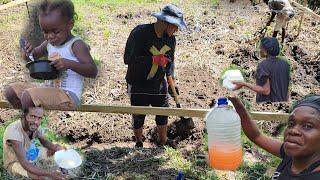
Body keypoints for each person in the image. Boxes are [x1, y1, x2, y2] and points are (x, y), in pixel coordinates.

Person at [4, 0, 98, 111]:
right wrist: (27, 53)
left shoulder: (76, 45)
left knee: (28, 96)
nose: (50, 36)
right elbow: (33, 56)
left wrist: (69, 64)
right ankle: (32, 119)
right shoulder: (48, 44)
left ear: (70, 24)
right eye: (45, 32)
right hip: (47, 89)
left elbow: (92, 71)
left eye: (56, 31)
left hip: (68, 95)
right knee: (11, 91)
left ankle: (30, 124)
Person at [124, 4, 187, 148]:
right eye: (175, 26)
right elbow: (128, 59)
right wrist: (153, 60)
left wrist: (172, 81)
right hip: (138, 82)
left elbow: (170, 62)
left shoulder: (171, 40)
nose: (176, 30)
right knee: (139, 114)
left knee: (163, 112)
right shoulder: (140, 33)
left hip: (159, 82)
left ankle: (163, 141)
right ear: (164, 22)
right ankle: (139, 142)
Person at [229, 95, 320, 179]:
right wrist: (236, 102)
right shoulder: (290, 155)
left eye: (308, 126)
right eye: (291, 124)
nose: (293, 130)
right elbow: (256, 136)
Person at [3, 106, 65, 179]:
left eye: (39, 118)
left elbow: (45, 142)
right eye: (32, 116)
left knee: (52, 151)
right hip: (16, 162)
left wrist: (57, 148)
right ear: (24, 115)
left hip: (29, 154)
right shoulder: (14, 131)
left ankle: (63, 172)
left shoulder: (35, 126)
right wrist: (50, 174)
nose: (36, 122)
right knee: (39, 177)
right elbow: (25, 164)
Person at [233, 37, 290, 103]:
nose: (259, 50)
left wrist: (244, 84)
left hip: (268, 107)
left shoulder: (263, 65)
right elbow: (286, 89)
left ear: (266, 50)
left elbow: (265, 91)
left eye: (261, 48)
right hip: (283, 106)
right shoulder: (285, 64)